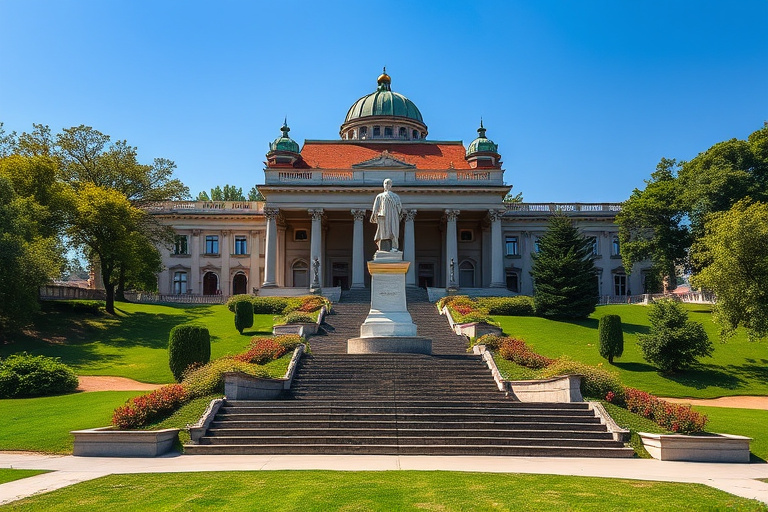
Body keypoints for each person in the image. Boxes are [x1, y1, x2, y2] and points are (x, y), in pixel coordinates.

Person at [370, 178, 402, 252]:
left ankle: (394, 248)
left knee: (393, 232)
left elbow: (399, 209)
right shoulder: (380, 196)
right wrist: (375, 216)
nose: (387, 185)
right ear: (383, 185)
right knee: (383, 233)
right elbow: (375, 208)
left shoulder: (396, 197)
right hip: (383, 217)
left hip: (393, 217)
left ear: (391, 185)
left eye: (389, 183)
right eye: (385, 183)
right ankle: (383, 248)